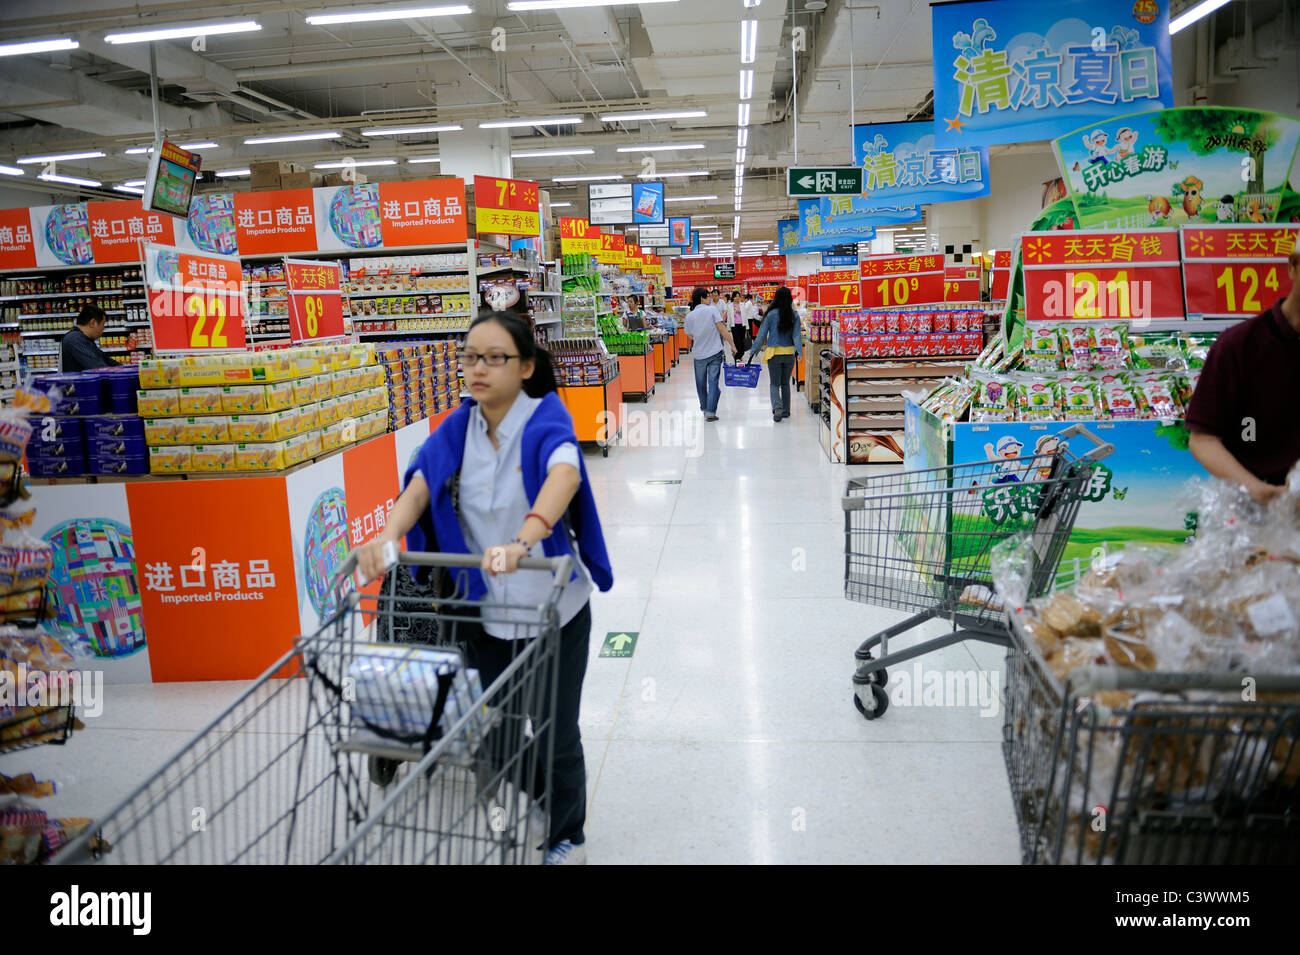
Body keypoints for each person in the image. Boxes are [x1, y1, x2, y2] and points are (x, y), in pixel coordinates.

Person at [355, 310, 612, 866]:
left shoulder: (546, 418)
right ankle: (543, 792)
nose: (478, 368)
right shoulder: (456, 427)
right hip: (486, 612)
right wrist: (388, 539)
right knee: (489, 730)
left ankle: (567, 832)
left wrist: (525, 540)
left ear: (524, 367)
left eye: (494, 357)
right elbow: (421, 484)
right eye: (470, 356)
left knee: (556, 731)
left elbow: (564, 474)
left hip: (554, 609)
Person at [1186, 247, 1300, 503]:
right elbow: (1203, 439)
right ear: (1294, 265)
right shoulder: (1238, 345)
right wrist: (1255, 488)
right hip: (1251, 509)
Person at [745, 285, 803, 422]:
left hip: (774, 354)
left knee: (774, 384)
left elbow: (761, 336)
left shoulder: (770, 314)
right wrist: (799, 352)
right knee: (785, 383)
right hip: (789, 354)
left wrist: (753, 351)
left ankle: (777, 408)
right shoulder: (794, 315)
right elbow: (796, 336)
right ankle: (786, 411)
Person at [683, 286, 735, 422]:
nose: (710, 299)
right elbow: (722, 329)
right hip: (715, 352)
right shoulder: (712, 310)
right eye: (708, 296)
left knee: (700, 383)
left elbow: (689, 334)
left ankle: (705, 408)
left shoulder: (690, 316)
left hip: (699, 354)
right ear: (702, 298)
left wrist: (700, 336)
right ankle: (710, 412)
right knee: (713, 382)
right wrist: (732, 346)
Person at [61, 305, 120, 372]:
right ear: (93, 323)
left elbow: (106, 359)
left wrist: (124, 369)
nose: (103, 329)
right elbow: (98, 367)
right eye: (103, 324)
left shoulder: (85, 339)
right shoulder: (74, 339)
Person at [728, 292, 749, 362]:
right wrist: (728, 327)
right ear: (733, 297)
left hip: (742, 325)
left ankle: (740, 354)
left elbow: (745, 315)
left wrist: (739, 311)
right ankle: (737, 356)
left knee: (742, 340)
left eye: (738, 296)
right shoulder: (730, 305)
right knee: (736, 341)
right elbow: (729, 317)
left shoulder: (743, 305)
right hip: (734, 325)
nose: (737, 298)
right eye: (736, 296)